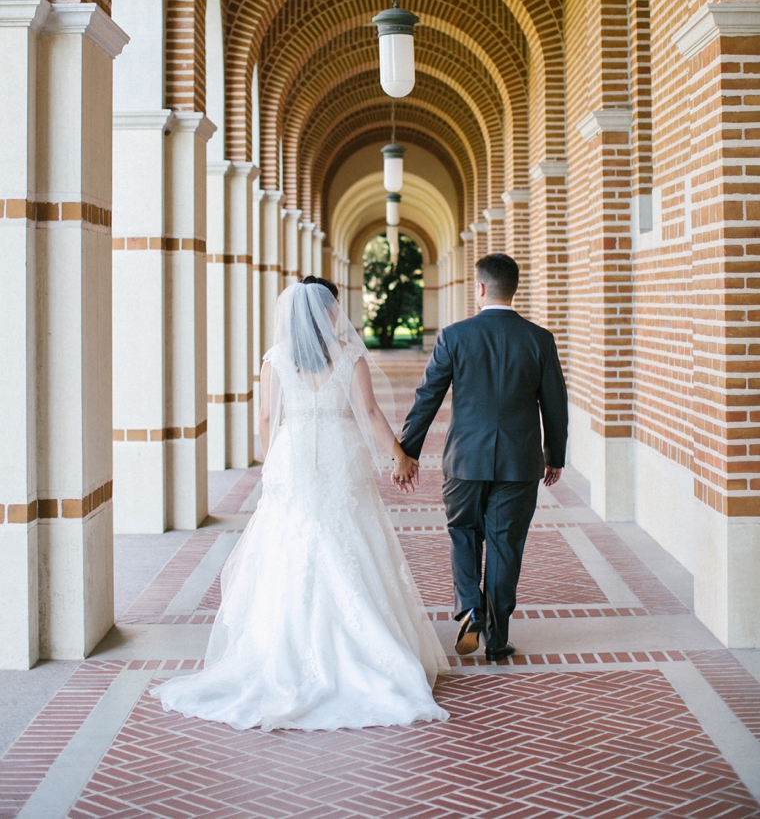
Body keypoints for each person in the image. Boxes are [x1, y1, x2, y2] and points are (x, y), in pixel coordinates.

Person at [152, 276, 449, 731]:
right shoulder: (349, 357)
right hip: (339, 455)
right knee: (347, 538)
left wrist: (273, 468)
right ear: (329, 311)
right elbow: (369, 414)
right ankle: (362, 649)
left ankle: (283, 651)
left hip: (292, 457)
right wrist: (400, 456)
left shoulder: (276, 360)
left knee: (292, 544)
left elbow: (268, 419)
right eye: (333, 306)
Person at [394, 253, 568, 661]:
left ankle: (470, 607)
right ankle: (498, 636)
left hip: (464, 461)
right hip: (518, 461)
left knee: (463, 533)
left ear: (481, 289)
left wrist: (408, 452)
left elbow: (428, 398)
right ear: (514, 289)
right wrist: (553, 455)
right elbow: (555, 405)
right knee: (506, 543)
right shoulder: (539, 339)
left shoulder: (454, 336)